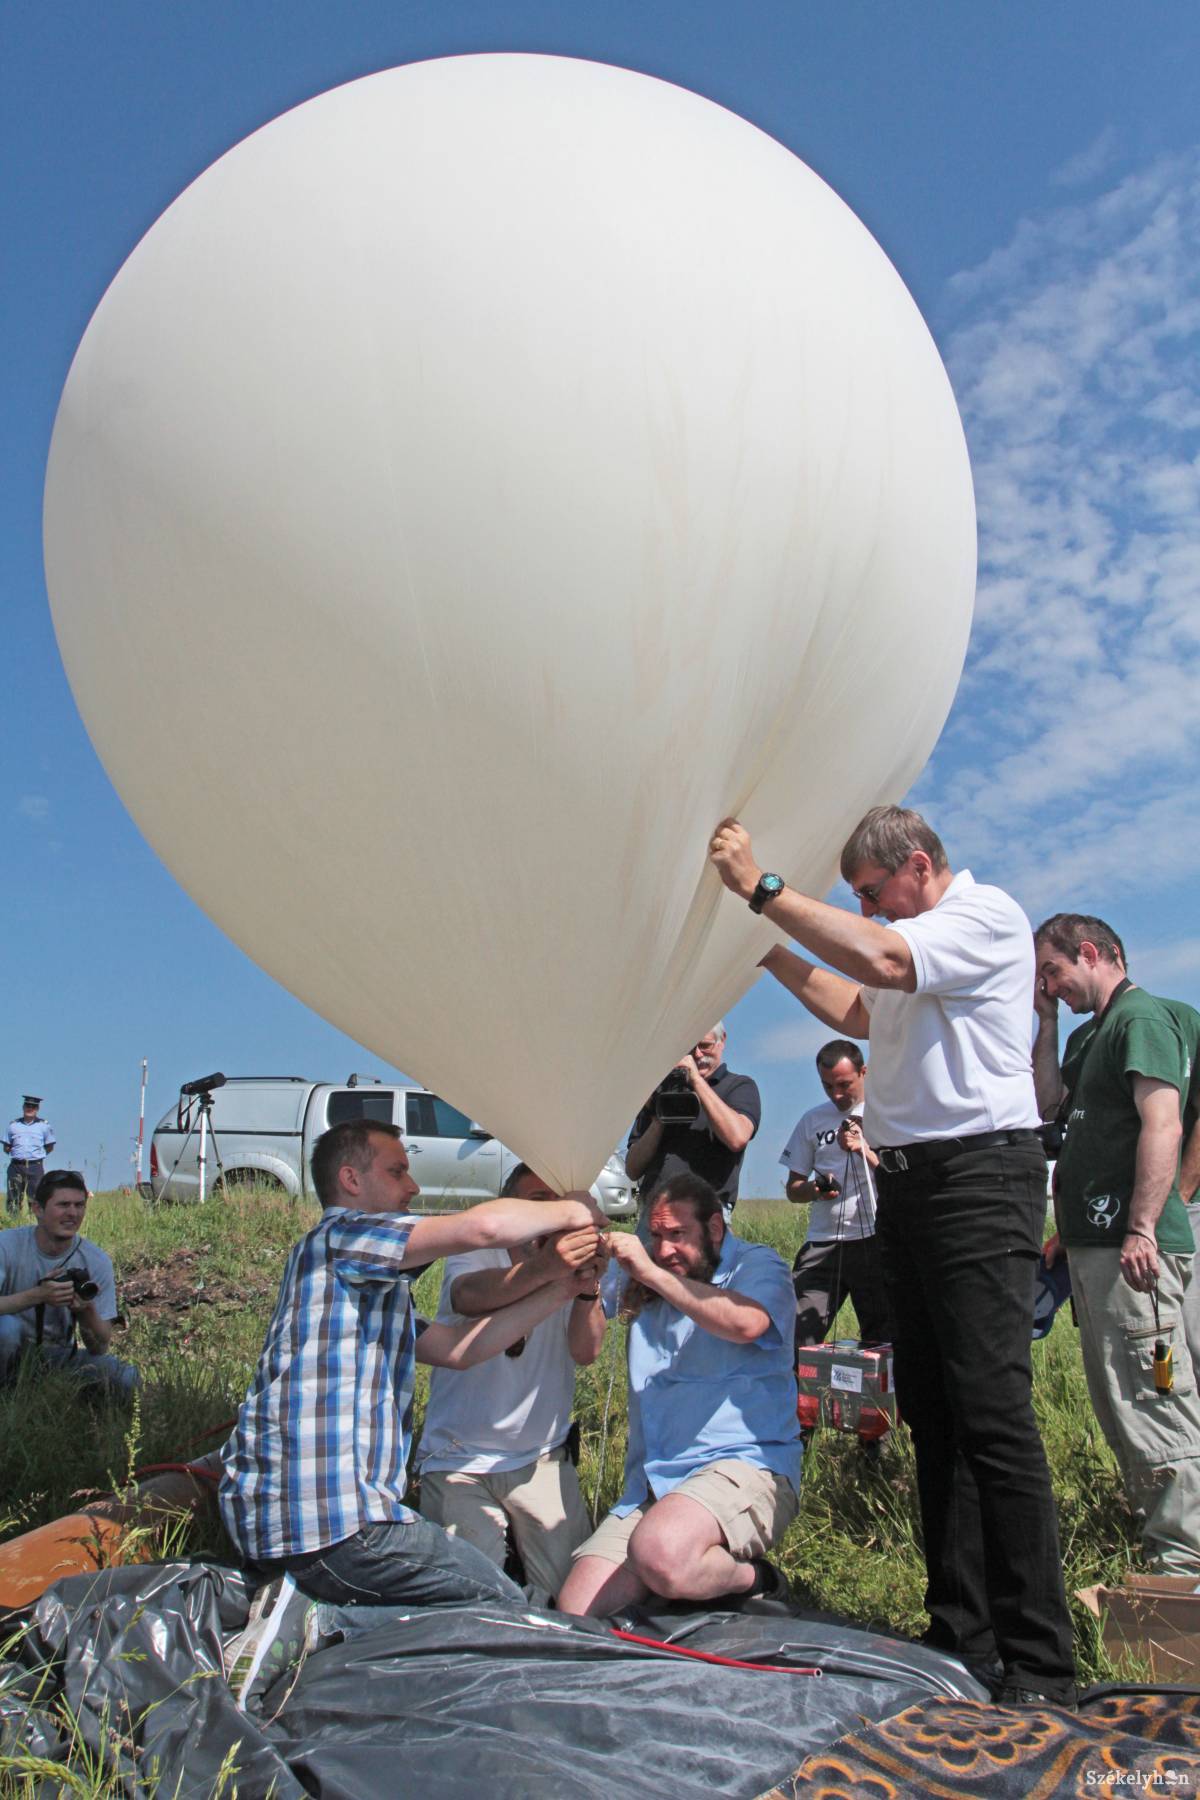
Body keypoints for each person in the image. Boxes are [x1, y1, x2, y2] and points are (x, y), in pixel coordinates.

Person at [708, 805, 1076, 1708]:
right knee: (933, 1411)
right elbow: (856, 1006)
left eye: (873, 893)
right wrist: (764, 950)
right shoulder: (915, 949)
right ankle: (961, 1633)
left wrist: (762, 888)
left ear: (918, 864)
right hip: (910, 1189)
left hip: (980, 1179)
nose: (868, 911)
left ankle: (1040, 1663)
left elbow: (877, 960)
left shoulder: (981, 917)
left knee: (992, 1413)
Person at [219, 1119, 605, 1629]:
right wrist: (577, 1209)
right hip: (332, 1523)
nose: (414, 1187)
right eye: (397, 1171)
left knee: (482, 1602)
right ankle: (315, 1631)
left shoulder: (365, 1288)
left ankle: (307, 1617)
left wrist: (564, 1288)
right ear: (351, 1180)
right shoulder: (342, 1236)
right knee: (499, 1607)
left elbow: (458, 1349)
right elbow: (482, 1229)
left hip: (319, 1524)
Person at [1032, 912, 1200, 1573]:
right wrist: (1046, 1023)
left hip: (1134, 1253)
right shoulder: (1087, 1036)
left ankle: (1183, 1566)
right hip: (1095, 1247)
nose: (1050, 986)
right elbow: (1049, 1106)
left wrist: (1141, 1226)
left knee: (1155, 1396)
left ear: (1091, 952)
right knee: (1122, 1395)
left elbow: (1163, 1124)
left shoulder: (1141, 1020)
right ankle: (1161, 1541)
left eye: (1053, 972)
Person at [557, 1173, 801, 1619]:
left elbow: (747, 1324)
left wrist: (650, 1272)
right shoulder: (648, 1274)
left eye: (677, 1235)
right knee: (577, 1611)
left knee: (661, 1553)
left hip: (745, 1466)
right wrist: (587, 1288)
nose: (664, 1249)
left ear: (714, 1228)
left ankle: (757, 1580)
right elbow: (582, 1351)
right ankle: (685, 1584)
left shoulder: (757, 1265)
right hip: (655, 1482)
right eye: (655, 1236)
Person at [416, 1162, 607, 1604]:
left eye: (560, 1205)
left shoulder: (574, 1266)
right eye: (538, 1203)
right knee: (470, 1597)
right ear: (512, 1208)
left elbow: (586, 1352)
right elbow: (470, 1296)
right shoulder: (478, 1253)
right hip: (459, 1458)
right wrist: (546, 1269)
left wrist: (586, 1290)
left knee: (576, 1601)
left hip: (541, 1456)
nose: (553, 1217)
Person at [781, 1039, 891, 1351]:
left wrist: (864, 1149)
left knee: (882, 1338)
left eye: (844, 1085)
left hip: (874, 1238)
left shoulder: (888, 1112)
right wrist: (815, 1189)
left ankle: (876, 1386)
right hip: (824, 1240)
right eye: (827, 1086)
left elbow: (902, 1178)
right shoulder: (812, 1120)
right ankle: (800, 1384)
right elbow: (793, 1189)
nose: (836, 1095)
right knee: (797, 1334)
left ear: (864, 1072)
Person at [0, 1169, 137, 1396]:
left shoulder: (96, 1260)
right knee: (6, 1328)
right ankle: (6, 1396)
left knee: (126, 1377)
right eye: (63, 1205)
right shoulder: (6, 1245)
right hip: (10, 1350)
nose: (72, 1213)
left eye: (79, 1205)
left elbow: (100, 1347)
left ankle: (68, 1402)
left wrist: (86, 1310)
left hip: (59, 1355)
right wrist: (39, 1295)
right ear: (37, 1209)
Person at [625, 1023, 761, 1220]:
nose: (697, 1054)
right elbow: (632, 1169)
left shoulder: (738, 1086)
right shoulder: (660, 1092)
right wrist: (659, 1119)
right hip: (655, 1213)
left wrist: (696, 1080)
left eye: (705, 1046)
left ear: (722, 1040)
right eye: (690, 1047)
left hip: (705, 1212)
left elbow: (737, 1137)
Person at [4, 1095, 56, 1215]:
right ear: (23, 1107)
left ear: (37, 1109)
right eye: (28, 1105)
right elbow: (6, 1147)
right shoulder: (13, 1125)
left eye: (33, 1106)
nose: (30, 1108)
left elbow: (50, 1147)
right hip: (16, 1166)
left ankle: (34, 1222)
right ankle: (13, 1222)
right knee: (14, 1197)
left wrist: (36, 1156)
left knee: (36, 1198)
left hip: (35, 1166)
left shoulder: (44, 1126)